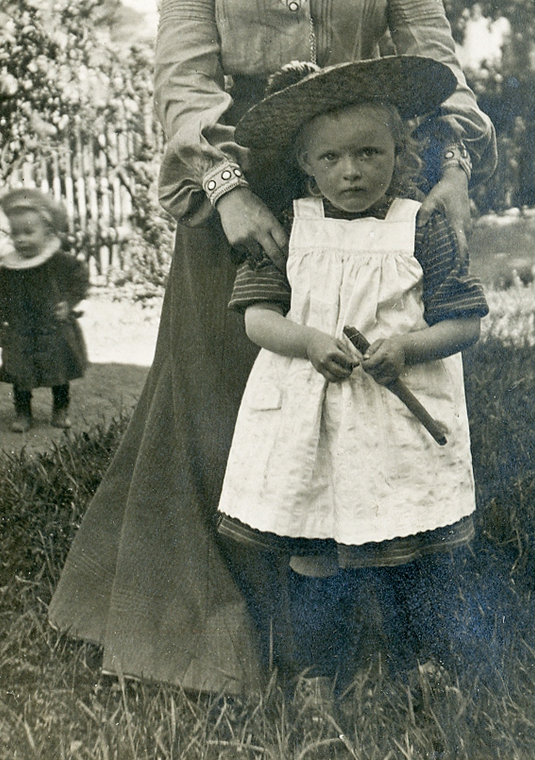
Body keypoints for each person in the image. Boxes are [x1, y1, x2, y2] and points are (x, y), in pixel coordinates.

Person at [49, 0, 496, 694]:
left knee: (369, 400)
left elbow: (436, 66)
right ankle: (231, 633)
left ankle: (370, 627)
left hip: (362, 188)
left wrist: (454, 169)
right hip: (242, 196)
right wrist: (227, 192)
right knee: (233, 402)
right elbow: (182, 76)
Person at [216, 56, 489, 688]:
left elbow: (465, 324)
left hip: (397, 421)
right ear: (306, 163)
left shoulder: (421, 226)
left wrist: (408, 348)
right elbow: (258, 320)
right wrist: (310, 341)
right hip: (313, 420)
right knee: (313, 548)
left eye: (370, 153)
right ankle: (319, 670)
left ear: (400, 151)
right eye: (332, 157)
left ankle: (418, 666)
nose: (352, 171)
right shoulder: (288, 226)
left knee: (410, 544)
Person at [0, 188, 88, 433]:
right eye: (15, 233)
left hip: (52, 326)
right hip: (20, 329)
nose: (21, 239)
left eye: (29, 232)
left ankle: (60, 408)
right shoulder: (9, 268)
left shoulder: (58, 261)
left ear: (47, 232)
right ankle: (23, 412)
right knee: (20, 371)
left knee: (59, 368)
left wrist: (68, 302)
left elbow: (80, 276)